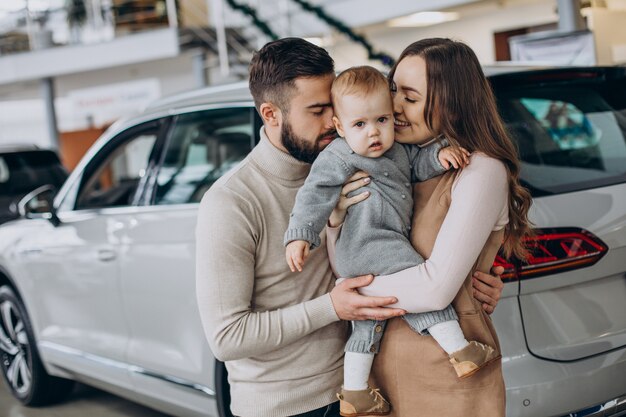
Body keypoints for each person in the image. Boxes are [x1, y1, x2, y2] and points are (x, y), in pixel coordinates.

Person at [195, 37, 505, 417]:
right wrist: (333, 307)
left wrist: (472, 284)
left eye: (336, 107)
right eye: (318, 110)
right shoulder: (231, 202)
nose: (334, 123)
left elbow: (406, 246)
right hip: (289, 407)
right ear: (271, 114)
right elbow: (227, 338)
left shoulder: (362, 155)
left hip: (365, 387)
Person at [327, 38, 533, 417]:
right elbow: (349, 264)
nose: (394, 107)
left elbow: (436, 290)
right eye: (393, 91)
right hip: (381, 370)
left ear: (450, 105)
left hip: (447, 373)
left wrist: (348, 297)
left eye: (411, 97)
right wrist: (335, 222)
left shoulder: (479, 170)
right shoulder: (393, 165)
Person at [285, 66, 498, 416]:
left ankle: (354, 392)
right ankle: (460, 350)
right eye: (359, 125)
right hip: (370, 244)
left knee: (368, 322)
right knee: (414, 271)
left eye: (382, 119)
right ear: (339, 127)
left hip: (368, 254)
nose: (374, 133)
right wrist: (301, 235)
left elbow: (418, 163)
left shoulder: (398, 150)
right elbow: (313, 195)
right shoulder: (338, 156)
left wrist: (438, 157)